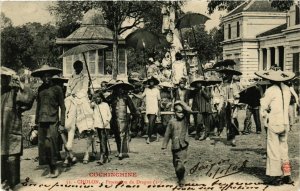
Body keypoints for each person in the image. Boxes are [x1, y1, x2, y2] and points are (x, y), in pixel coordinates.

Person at [257, 67, 295, 185]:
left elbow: (263, 106)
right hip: (284, 122)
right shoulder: (287, 89)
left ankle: (276, 175)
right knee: (284, 149)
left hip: (274, 122)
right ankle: (287, 175)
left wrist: (265, 115)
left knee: (273, 149)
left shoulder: (271, 90)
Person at [1, 67, 34, 189]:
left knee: (12, 158)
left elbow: (29, 98)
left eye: (5, 78)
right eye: (1, 78)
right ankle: (4, 181)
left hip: (11, 131)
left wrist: (20, 82)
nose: (2, 81)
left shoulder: (14, 92)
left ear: (9, 79)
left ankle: (13, 183)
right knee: (2, 158)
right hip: (0, 132)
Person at [32, 65, 65, 178]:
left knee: (52, 145)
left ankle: (55, 168)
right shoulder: (40, 89)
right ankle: (50, 168)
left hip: (53, 120)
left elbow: (63, 107)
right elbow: (38, 106)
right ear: (41, 78)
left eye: (48, 76)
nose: (46, 78)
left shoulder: (57, 89)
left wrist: (62, 123)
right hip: (42, 120)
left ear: (51, 76)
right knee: (44, 146)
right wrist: (36, 123)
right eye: (44, 76)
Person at [64, 60, 94, 164]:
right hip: (71, 99)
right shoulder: (71, 78)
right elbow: (68, 90)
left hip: (81, 99)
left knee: (86, 118)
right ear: (74, 67)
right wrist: (69, 95)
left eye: (79, 67)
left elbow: (84, 89)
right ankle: (68, 152)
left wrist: (77, 95)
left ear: (82, 68)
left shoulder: (84, 77)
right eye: (76, 67)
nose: (77, 68)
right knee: (65, 114)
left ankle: (87, 153)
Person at [161, 101, 197, 186]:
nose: (181, 114)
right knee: (176, 164)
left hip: (183, 145)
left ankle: (181, 179)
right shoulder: (171, 122)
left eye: (182, 112)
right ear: (174, 112)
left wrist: (181, 102)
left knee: (180, 163)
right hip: (175, 146)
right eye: (179, 112)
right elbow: (167, 134)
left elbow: (189, 110)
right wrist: (164, 146)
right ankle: (179, 177)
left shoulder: (185, 120)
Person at [107, 81, 138, 160]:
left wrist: (134, 115)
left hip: (123, 118)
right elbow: (105, 102)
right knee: (117, 134)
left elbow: (132, 107)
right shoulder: (112, 97)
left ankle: (121, 152)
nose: (120, 90)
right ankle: (118, 150)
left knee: (122, 134)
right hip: (114, 118)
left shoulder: (126, 97)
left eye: (122, 88)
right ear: (116, 89)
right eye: (118, 88)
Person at [134, 76, 161, 144]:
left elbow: (159, 100)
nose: (151, 83)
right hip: (148, 108)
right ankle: (157, 134)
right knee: (151, 123)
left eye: (152, 82)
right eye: (150, 82)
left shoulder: (157, 90)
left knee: (151, 123)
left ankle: (148, 137)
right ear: (149, 82)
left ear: (154, 83)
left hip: (155, 108)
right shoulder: (146, 90)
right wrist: (133, 94)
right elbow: (141, 97)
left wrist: (159, 110)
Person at [218, 69, 241, 146]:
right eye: (227, 75)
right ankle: (229, 136)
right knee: (227, 121)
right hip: (226, 105)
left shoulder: (235, 85)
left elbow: (238, 95)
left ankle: (233, 138)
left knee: (233, 120)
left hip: (233, 105)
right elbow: (222, 96)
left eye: (230, 75)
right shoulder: (224, 85)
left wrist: (235, 98)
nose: (228, 76)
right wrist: (220, 106)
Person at [91, 91, 112, 165]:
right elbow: (93, 114)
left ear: (101, 98)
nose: (97, 99)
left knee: (103, 140)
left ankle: (102, 157)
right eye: (96, 98)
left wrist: (107, 121)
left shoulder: (105, 105)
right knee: (102, 140)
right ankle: (106, 155)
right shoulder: (95, 106)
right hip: (98, 125)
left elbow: (109, 115)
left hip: (105, 125)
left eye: (98, 97)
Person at [190, 76, 212, 141]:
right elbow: (194, 99)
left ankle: (206, 135)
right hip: (199, 109)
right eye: (197, 83)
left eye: (200, 83)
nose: (198, 84)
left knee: (207, 122)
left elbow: (208, 97)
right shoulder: (195, 91)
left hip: (206, 108)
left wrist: (202, 91)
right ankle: (199, 133)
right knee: (199, 122)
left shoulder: (206, 89)